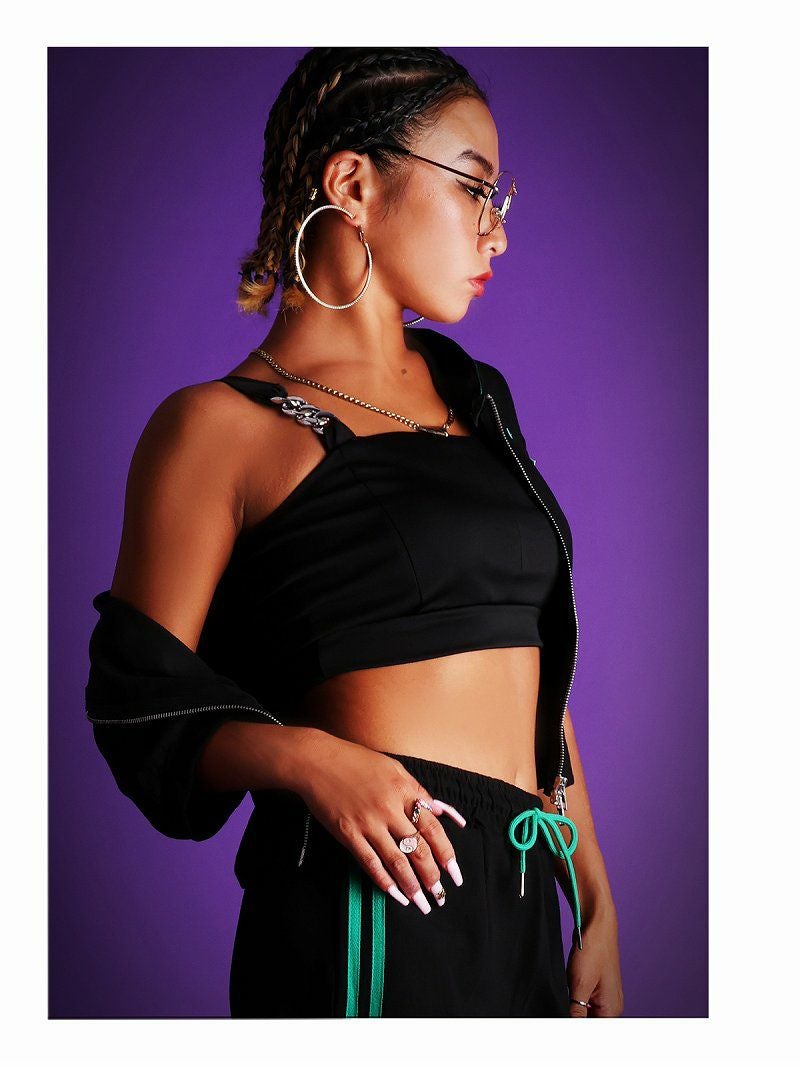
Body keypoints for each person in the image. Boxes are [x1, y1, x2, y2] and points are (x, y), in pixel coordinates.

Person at [85, 46, 623, 1018]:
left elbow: (529, 664)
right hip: (371, 902)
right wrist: (306, 758)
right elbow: (136, 703)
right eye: (474, 189)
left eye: (499, 199)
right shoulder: (215, 427)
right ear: (353, 184)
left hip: (522, 903)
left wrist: (592, 896)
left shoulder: (474, 397)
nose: (497, 233)